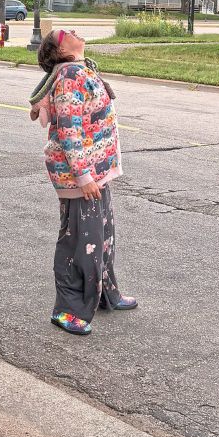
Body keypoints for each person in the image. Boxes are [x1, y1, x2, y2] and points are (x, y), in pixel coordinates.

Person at [29, 28, 137, 336]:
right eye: (65, 33)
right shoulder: (69, 77)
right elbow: (68, 131)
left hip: (95, 171)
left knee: (102, 237)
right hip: (79, 174)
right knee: (79, 241)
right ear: (61, 50)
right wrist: (84, 176)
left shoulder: (75, 71)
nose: (74, 31)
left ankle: (105, 293)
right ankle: (67, 309)